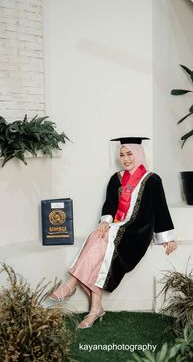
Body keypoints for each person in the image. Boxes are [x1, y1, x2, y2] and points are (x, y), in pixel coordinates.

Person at [49, 137, 177, 328]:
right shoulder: (116, 178)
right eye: (122, 155)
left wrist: (167, 237)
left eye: (129, 154)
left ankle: (71, 284)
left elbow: (161, 208)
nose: (125, 159)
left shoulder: (152, 180)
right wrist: (105, 221)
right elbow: (109, 204)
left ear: (139, 154)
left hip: (137, 232)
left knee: (101, 239)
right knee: (98, 236)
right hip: (117, 227)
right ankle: (95, 308)